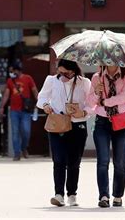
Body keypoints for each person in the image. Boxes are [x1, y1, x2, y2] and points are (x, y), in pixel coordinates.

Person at [37, 59, 92, 207]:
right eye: (59, 72)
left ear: (73, 71)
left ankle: (72, 194)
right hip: (58, 124)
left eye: (65, 73)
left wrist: (84, 112)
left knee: (74, 162)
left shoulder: (84, 82)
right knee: (59, 160)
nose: (61, 75)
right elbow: (41, 97)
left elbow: (91, 103)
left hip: (77, 124)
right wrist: (45, 105)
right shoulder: (52, 80)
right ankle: (58, 194)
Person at [87, 65, 125, 208]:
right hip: (102, 122)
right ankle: (104, 196)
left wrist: (104, 102)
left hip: (121, 121)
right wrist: (96, 92)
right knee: (103, 161)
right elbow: (90, 102)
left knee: (119, 162)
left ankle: (118, 195)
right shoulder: (97, 77)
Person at [0, 62, 39, 161]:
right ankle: (17, 153)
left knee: (26, 131)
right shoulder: (10, 81)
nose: (11, 73)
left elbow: (34, 91)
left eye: (12, 71)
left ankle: (24, 147)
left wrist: (40, 102)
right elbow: (6, 95)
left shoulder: (28, 78)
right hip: (14, 110)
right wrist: (2, 106)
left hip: (25, 110)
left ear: (17, 70)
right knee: (15, 132)